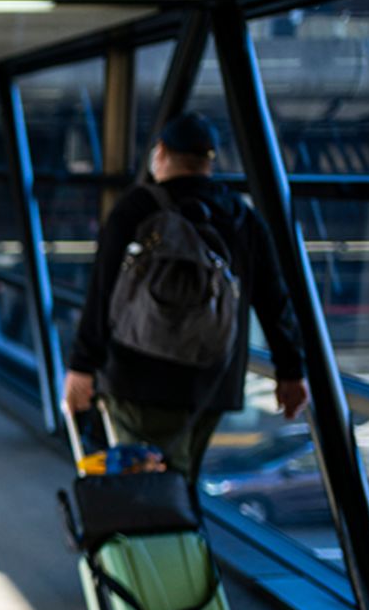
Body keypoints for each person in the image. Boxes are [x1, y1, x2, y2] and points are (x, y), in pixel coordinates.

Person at [63, 112, 308, 480]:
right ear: (208, 161)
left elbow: (103, 290)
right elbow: (274, 300)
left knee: (145, 490)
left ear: (160, 152)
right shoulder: (241, 217)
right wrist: (290, 372)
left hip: (138, 376)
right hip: (213, 381)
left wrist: (83, 366)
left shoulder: (137, 208)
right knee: (181, 482)